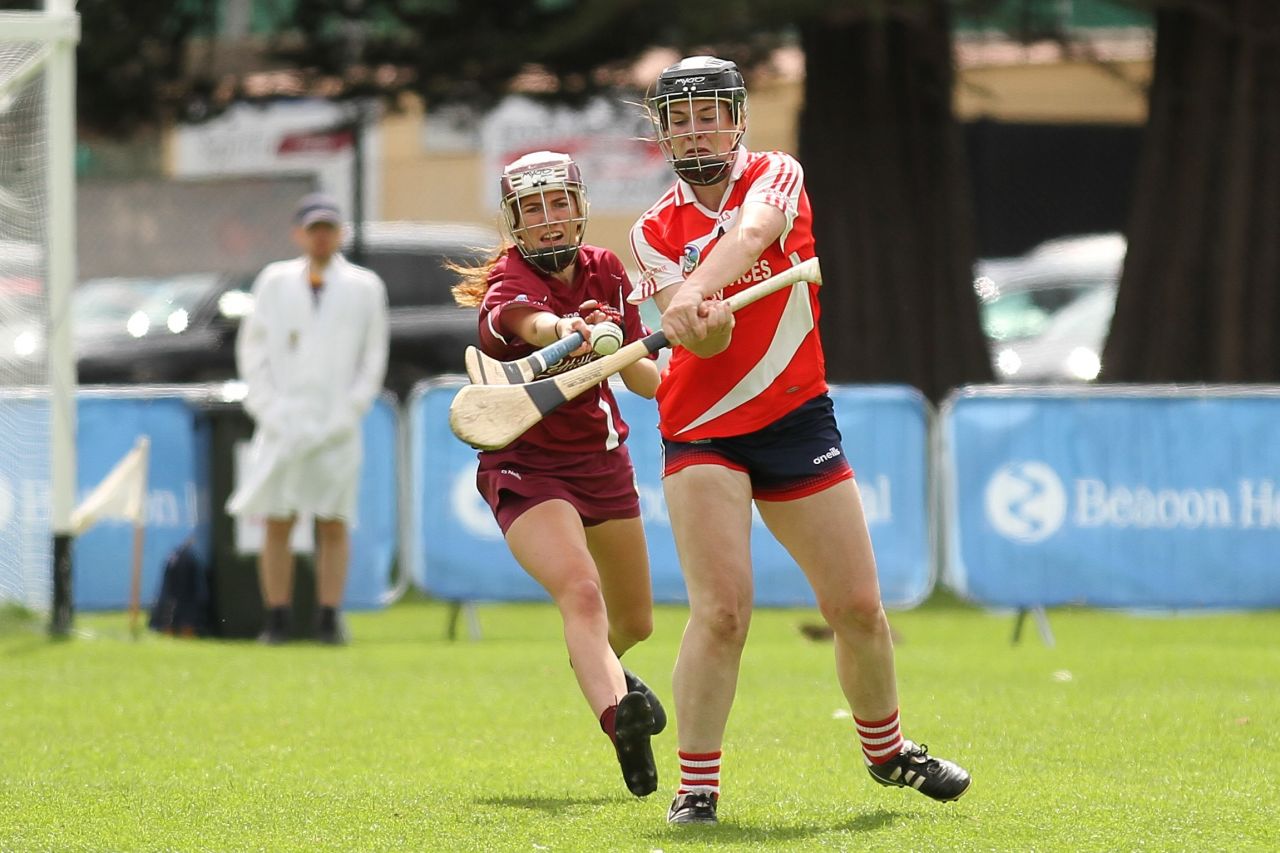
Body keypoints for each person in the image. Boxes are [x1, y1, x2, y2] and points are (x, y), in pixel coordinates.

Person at [628, 56, 972, 825]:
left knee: (856, 606)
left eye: (708, 113)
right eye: (678, 119)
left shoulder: (776, 175)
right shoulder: (652, 230)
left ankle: (888, 752)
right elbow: (702, 351)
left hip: (793, 417)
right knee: (721, 611)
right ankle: (698, 787)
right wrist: (701, 326)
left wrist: (693, 292)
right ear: (663, 132)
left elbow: (752, 237)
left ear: (737, 116)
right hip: (701, 428)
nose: (694, 131)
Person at [451, 151, 666, 798]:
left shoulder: (605, 269)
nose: (549, 220)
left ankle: (606, 676)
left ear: (579, 208)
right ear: (515, 220)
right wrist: (569, 330)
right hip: (526, 462)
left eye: (558, 204)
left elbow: (646, 381)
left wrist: (648, 348)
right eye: (533, 208)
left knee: (635, 622)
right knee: (582, 593)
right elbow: (529, 322)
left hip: (601, 457)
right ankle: (617, 717)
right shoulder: (508, 284)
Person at [227, 193, 389, 645]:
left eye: (328, 229)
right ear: (298, 234)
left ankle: (327, 618)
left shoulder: (364, 287)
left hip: (337, 424)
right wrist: (268, 408)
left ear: (339, 234)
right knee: (277, 518)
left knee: (333, 520)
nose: (321, 237)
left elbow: (372, 357)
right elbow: (253, 349)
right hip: (282, 421)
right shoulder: (274, 282)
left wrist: (350, 409)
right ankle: (276, 618)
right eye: (313, 229)